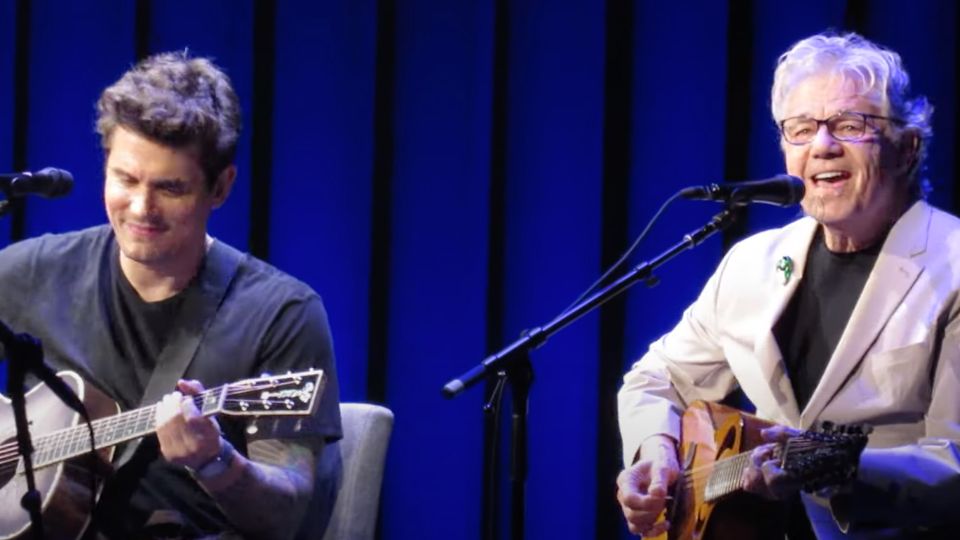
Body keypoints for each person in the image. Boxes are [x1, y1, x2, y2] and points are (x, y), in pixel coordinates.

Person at [616, 32, 960, 539]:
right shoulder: (753, 262)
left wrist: (837, 468)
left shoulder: (952, 264)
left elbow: (954, 461)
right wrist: (657, 452)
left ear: (907, 149)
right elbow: (654, 378)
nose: (822, 146)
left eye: (850, 125)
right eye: (800, 129)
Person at [0, 52, 341, 539]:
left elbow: (288, 516)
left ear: (220, 187)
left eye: (170, 188)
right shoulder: (27, 273)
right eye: (125, 179)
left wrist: (216, 461)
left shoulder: (280, 314)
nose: (141, 207)